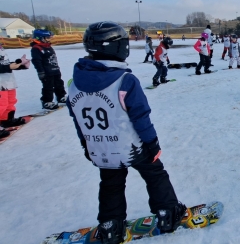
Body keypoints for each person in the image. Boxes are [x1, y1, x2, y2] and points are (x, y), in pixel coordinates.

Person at [67, 22, 186, 244]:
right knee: (155, 173)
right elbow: (141, 116)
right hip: (133, 147)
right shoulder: (124, 80)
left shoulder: (74, 84)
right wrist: (152, 144)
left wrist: (86, 144)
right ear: (115, 48)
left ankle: (110, 226)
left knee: (111, 184)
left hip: (101, 149)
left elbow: (78, 120)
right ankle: (167, 213)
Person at [30, 29, 67, 110]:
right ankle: (47, 101)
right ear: (40, 38)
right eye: (47, 38)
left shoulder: (48, 46)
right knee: (48, 87)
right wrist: (40, 71)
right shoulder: (36, 48)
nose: (49, 39)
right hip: (46, 72)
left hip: (55, 70)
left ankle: (61, 97)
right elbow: (36, 61)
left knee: (59, 84)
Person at [0, 43, 28, 138]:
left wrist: (20, 65)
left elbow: (4, 63)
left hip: (8, 81)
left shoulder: (1, 48)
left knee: (10, 101)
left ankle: (7, 119)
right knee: (1, 104)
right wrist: (9, 67)